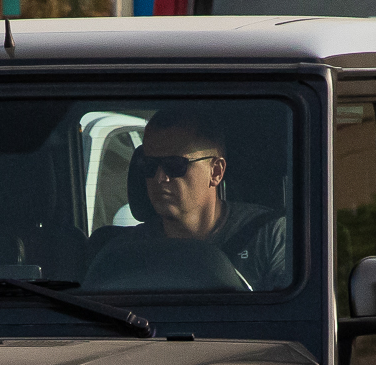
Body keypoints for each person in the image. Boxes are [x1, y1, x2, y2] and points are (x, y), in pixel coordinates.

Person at [114, 106, 290, 288]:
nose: (160, 178)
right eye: (149, 165)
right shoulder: (126, 254)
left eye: (175, 165)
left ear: (215, 172)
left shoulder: (268, 237)